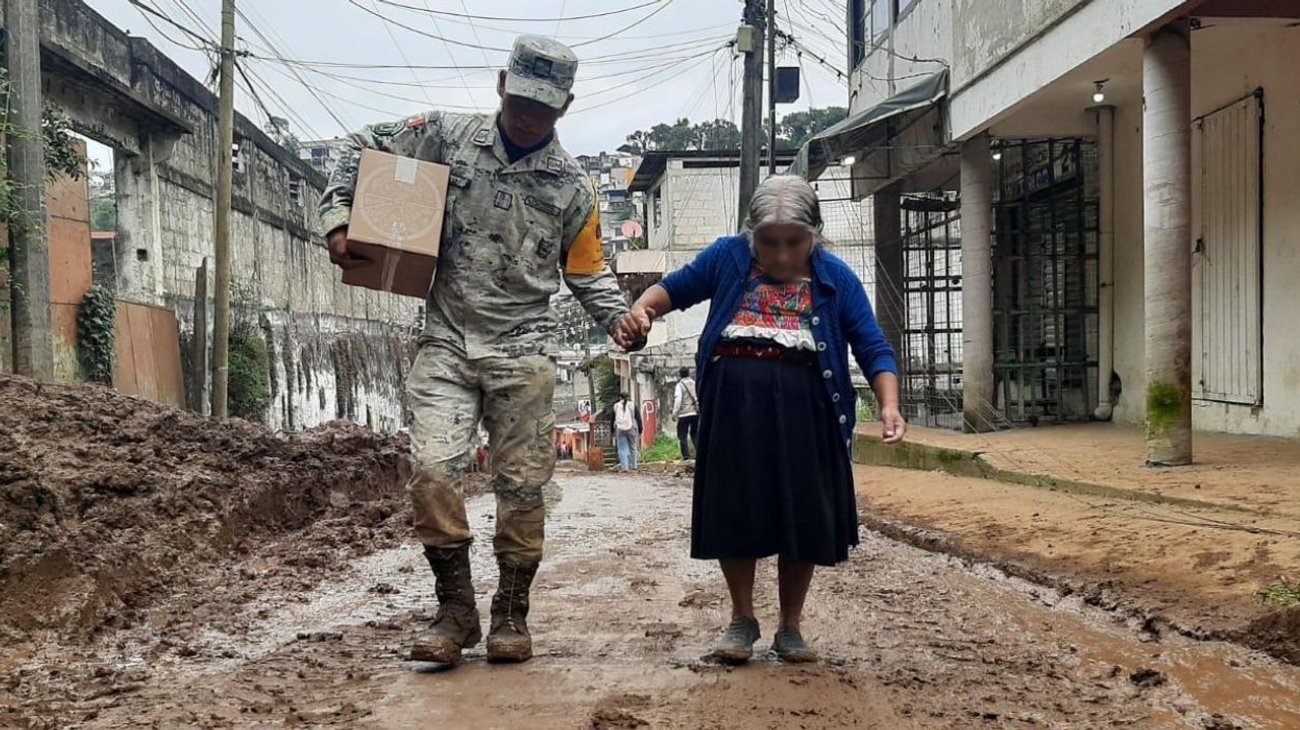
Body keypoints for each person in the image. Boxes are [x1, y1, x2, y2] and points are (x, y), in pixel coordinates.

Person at [321, 35, 644, 668]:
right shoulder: (444, 136)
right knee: (432, 472)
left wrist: (619, 319)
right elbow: (355, 148)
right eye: (522, 101)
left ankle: (511, 614)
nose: (529, 117)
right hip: (446, 339)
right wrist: (339, 218)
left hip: (523, 350)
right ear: (501, 85)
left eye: (544, 108)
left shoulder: (573, 187)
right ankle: (455, 611)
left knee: (522, 488)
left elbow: (587, 270)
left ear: (565, 107)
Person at [617, 175, 907, 665]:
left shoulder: (835, 278)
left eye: (795, 242)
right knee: (736, 509)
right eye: (769, 243)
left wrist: (889, 404)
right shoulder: (727, 258)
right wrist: (642, 311)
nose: (782, 255)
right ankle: (742, 618)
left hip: (808, 414)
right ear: (752, 236)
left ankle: (790, 626)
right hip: (735, 412)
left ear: (814, 235)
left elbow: (873, 346)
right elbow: (670, 291)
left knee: (802, 513)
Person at [673, 368, 700, 460]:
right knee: (695, 433)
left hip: (684, 414)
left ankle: (686, 456)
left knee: (682, 435)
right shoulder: (695, 383)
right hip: (695, 413)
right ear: (688, 373)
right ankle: (699, 454)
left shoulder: (679, 385)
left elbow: (678, 400)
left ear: (680, 374)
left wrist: (675, 414)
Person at [612, 393, 641, 472]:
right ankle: (634, 465)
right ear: (628, 397)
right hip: (631, 428)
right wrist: (640, 429)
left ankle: (624, 467)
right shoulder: (632, 405)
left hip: (620, 429)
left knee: (622, 448)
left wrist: (613, 431)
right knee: (633, 447)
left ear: (619, 397)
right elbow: (638, 418)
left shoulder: (616, 406)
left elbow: (613, 419)